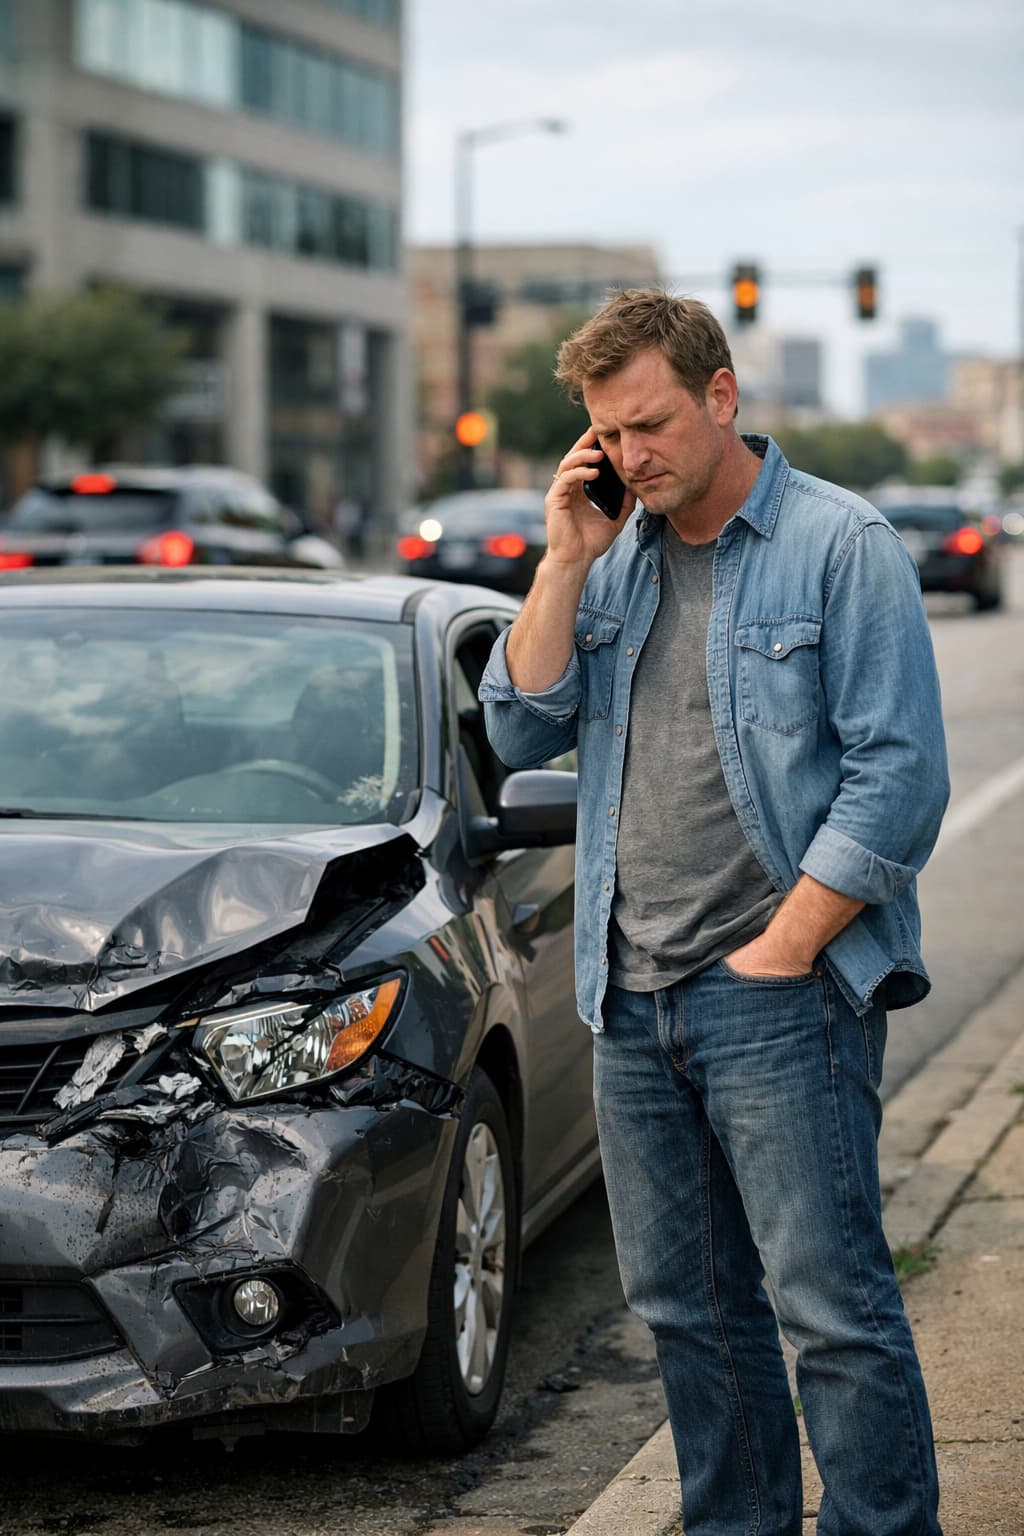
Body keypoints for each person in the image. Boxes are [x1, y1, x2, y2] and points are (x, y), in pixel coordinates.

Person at [479, 289, 948, 1536]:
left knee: (830, 1309)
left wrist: (781, 951)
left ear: (721, 395)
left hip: (779, 1000)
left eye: (649, 425)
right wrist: (565, 558)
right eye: (606, 435)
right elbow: (519, 723)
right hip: (625, 999)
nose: (630, 457)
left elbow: (898, 776)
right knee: (688, 1313)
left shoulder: (840, 547)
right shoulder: (610, 555)